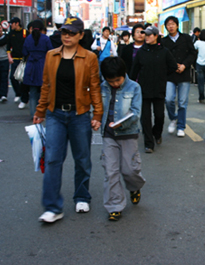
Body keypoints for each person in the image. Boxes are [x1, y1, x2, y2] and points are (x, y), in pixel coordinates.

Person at [33, 16, 103, 223]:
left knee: (82, 159)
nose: (67, 36)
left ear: (81, 35)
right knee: (53, 159)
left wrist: (97, 114)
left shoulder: (89, 57)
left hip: (79, 115)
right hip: (55, 114)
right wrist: (40, 111)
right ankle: (53, 207)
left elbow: (95, 87)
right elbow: (46, 85)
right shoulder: (51, 55)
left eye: (72, 33)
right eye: (64, 32)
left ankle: (82, 196)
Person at [99, 56, 145, 221]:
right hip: (108, 135)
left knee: (130, 169)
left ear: (124, 74)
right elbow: (98, 108)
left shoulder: (134, 87)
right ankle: (114, 205)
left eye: (117, 80)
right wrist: (96, 119)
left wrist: (122, 124)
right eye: (110, 81)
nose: (114, 84)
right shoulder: (102, 87)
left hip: (128, 134)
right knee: (110, 171)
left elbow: (136, 112)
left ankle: (134, 187)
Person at [129, 26, 178, 153]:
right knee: (145, 118)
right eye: (145, 34)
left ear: (156, 36)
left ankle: (157, 133)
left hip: (159, 89)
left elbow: (173, 66)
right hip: (144, 89)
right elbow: (134, 71)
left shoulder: (164, 51)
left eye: (150, 35)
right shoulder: (141, 52)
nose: (147, 37)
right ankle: (149, 143)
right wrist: (130, 86)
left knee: (160, 116)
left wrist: (163, 75)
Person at [161, 16, 197, 137]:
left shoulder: (186, 38)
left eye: (173, 24)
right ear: (166, 27)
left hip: (184, 73)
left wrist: (184, 65)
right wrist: (173, 66)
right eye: (168, 24)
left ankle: (181, 126)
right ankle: (173, 118)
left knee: (182, 102)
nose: (170, 26)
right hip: (170, 74)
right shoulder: (164, 41)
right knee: (169, 99)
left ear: (177, 25)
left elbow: (192, 53)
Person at [22, 20, 53, 117]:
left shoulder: (28, 39)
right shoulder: (45, 38)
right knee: (44, 91)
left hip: (31, 66)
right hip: (43, 65)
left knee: (33, 92)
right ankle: (43, 112)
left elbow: (24, 52)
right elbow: (50, 51)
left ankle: (33, 114)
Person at [7, 17, 29, 106]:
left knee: (23, 80)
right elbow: (8, 47)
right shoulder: (10, 34)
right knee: (13, 77)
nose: (10, 25)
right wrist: (9, 57)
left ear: (16, 23)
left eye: (11, 23)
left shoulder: (25, 33)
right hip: (15, 59)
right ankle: (18, 93)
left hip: (24, 59)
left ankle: (24, 99)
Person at [193, 29, 205, 103]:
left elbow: (193, 49)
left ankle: (202, 97)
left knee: (200, 82)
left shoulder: (198, 43)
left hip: (199, 63)